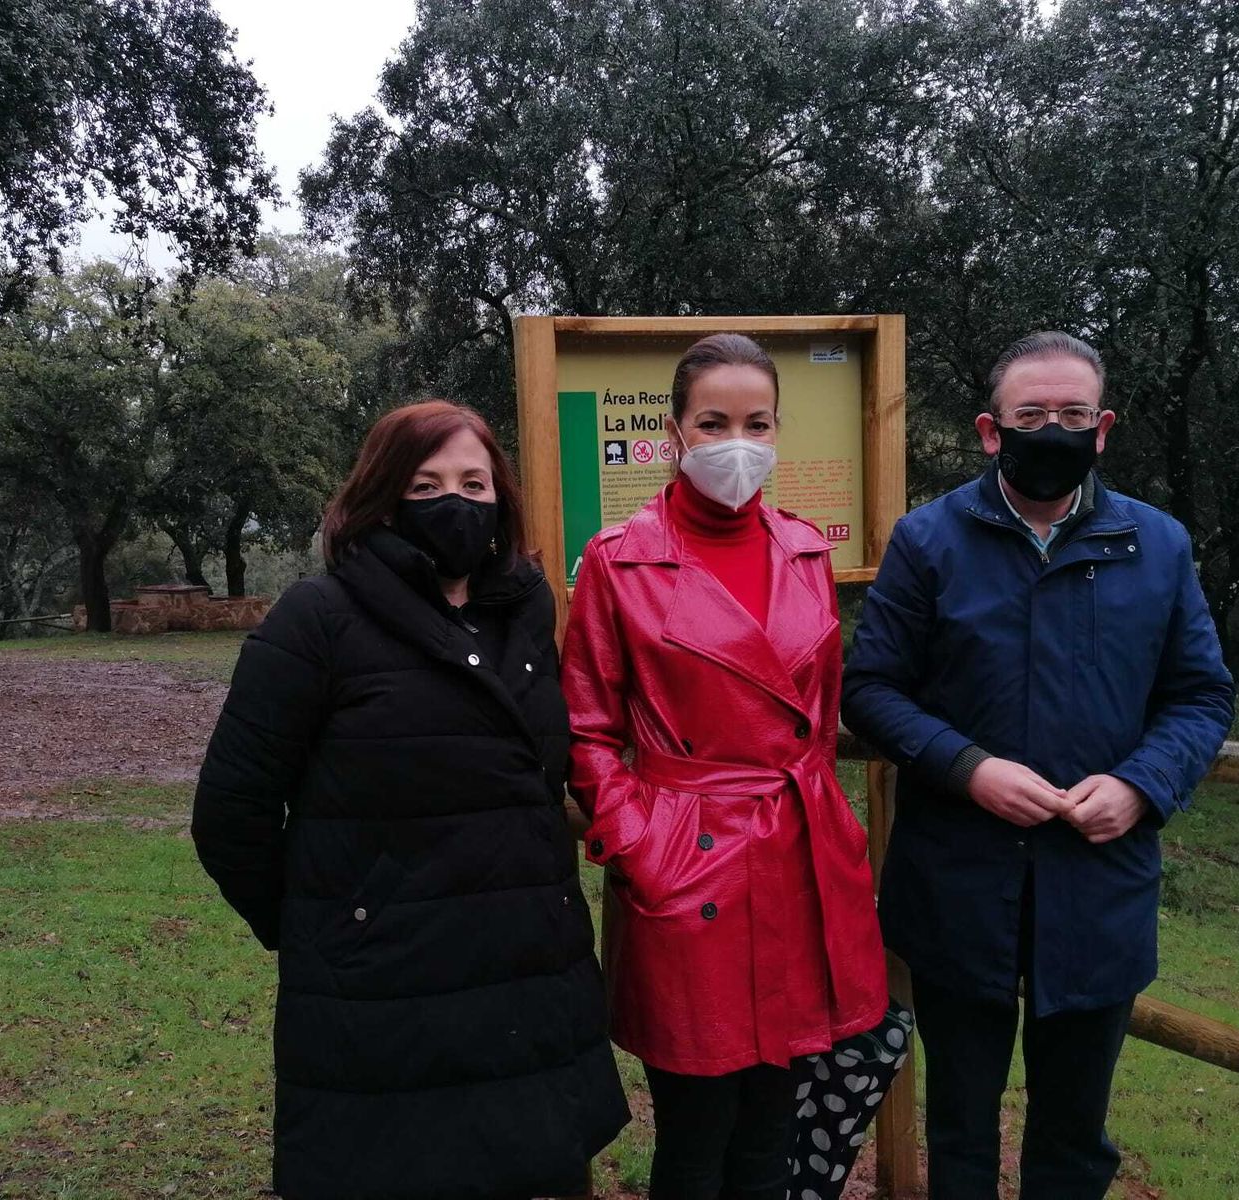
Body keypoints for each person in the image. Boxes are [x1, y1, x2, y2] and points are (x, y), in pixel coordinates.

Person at [192, 400, 629, 1200]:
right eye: (426, 485)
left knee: (536, 1169)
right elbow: (231, 812)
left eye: (473, 480)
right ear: (383, 497)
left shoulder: (524, 607)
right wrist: (323, 927)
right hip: (388, 998)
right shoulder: (318, 620)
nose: (456, 501)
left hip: (526, 980)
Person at [842, 331, 1235, 1199]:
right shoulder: (929, 540)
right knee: (962, 1132)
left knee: (1071, 1140)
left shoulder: (1157, 545)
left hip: (1098, 886)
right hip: (957, 887)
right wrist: (967, 766)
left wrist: (1143, 784)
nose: (1051, 428)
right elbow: (869, 690)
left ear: (1102, 429)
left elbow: (1202, 696)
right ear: (991, 430)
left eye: (1071, 414)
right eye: (1031, 415)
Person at [562, 333, 889, 1200]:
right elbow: (587, 730)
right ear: (675, 432)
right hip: (688, 863)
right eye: (713, 422)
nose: (734, 442)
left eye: (755, 421)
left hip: (795, 856)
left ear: (778, 430)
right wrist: (643, 845)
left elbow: (814, 719)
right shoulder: (617, 559)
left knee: (772, 1126)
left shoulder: (805, 550)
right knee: (696, 1130)